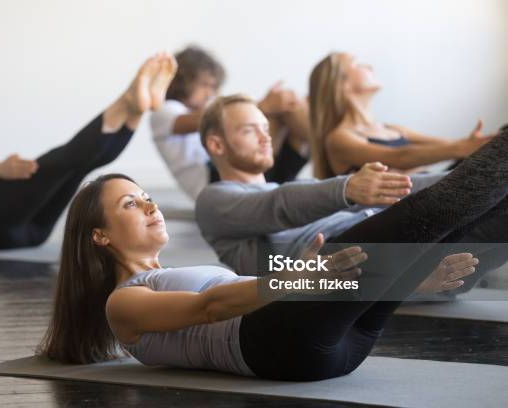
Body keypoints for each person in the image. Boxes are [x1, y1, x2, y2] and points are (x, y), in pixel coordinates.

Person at [38, 149, 508, 381]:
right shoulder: (122, 304)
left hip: (332, 346)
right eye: (129, 205)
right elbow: (212, 307)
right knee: (424, 213)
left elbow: (254, 292)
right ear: (99, 236)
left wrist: (413, 277)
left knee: (448, 235)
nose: (148, 206)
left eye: (145, 196)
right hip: (274, 345)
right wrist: (300, 275)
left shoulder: (166, 275)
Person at [195, 95, 507, 295]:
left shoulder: (298, 188)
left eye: (265, 127)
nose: (265, 137)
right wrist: (347, 188)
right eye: (250, 130)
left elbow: (412, 187)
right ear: (217, 145)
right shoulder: (213, 203)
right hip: (374, 258)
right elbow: (277, 208)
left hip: (417, 264)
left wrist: (464, 175)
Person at [0, 53, 177, 249]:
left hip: (32, 232)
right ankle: (127, 100)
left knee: (77, 165)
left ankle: (135, 110)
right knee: (62, 158)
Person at [150, 45, 310, 199]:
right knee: (283, 109)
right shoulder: (164, 111)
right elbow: (209, 120)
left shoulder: (201, 110)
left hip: (243, 169)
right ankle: (326, 145)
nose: (210, 93)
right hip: (217, 179)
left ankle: (324, 144)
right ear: (182, 81)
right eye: (205, 85)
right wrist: (265, 105)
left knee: (290, 108)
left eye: (214, 87)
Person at [308, 52, 496, 179]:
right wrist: (461, 148)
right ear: (341, 85)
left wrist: (475, 144)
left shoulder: (392, 129)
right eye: (357, 64)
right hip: (410, 209)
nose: (369, 66)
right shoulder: (339, 138)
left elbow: (450, 145)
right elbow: (399, 157)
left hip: (434, 188)